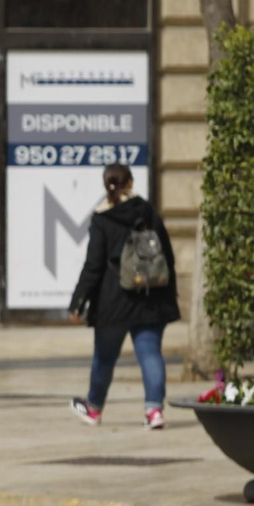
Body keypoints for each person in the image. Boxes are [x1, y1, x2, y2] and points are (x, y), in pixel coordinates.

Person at [68, 163, 180, 429]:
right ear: (130, 183)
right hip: (150, 296)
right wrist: (169, 293)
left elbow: (94, 265)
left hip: (113, 299)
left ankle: (94, 409)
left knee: (104, 357)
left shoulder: (102, 218)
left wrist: (78, 302)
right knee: (150, 354)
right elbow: (167, 255)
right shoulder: (148, 211)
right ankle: (154, 411)